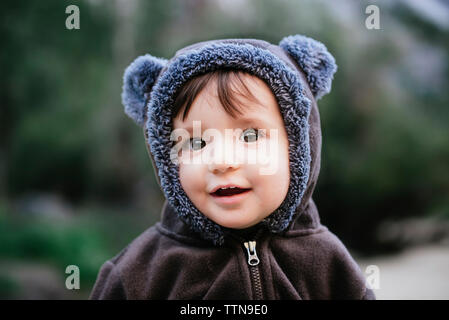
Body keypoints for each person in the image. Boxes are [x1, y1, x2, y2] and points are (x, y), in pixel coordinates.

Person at [89, 34, 375, 300]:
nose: (222, 161)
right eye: (197, 143)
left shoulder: (327, 264)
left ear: (298, 146)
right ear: (167, 158)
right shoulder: (137, 275)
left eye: (250, 136)